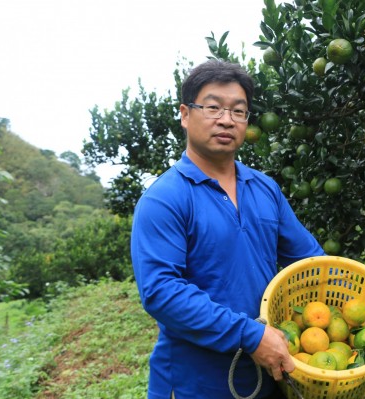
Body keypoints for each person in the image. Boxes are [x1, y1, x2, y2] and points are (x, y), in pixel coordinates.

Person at [131, 59, 325, 399]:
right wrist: (248, 335)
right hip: (196, 385)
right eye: (213, 107)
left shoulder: (265, 189)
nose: (226, 119)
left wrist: (361, 287)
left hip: (272, 376)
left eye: (238, 111)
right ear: (185, 114)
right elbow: (161, 292)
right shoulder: (165, 198)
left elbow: (309, 260)